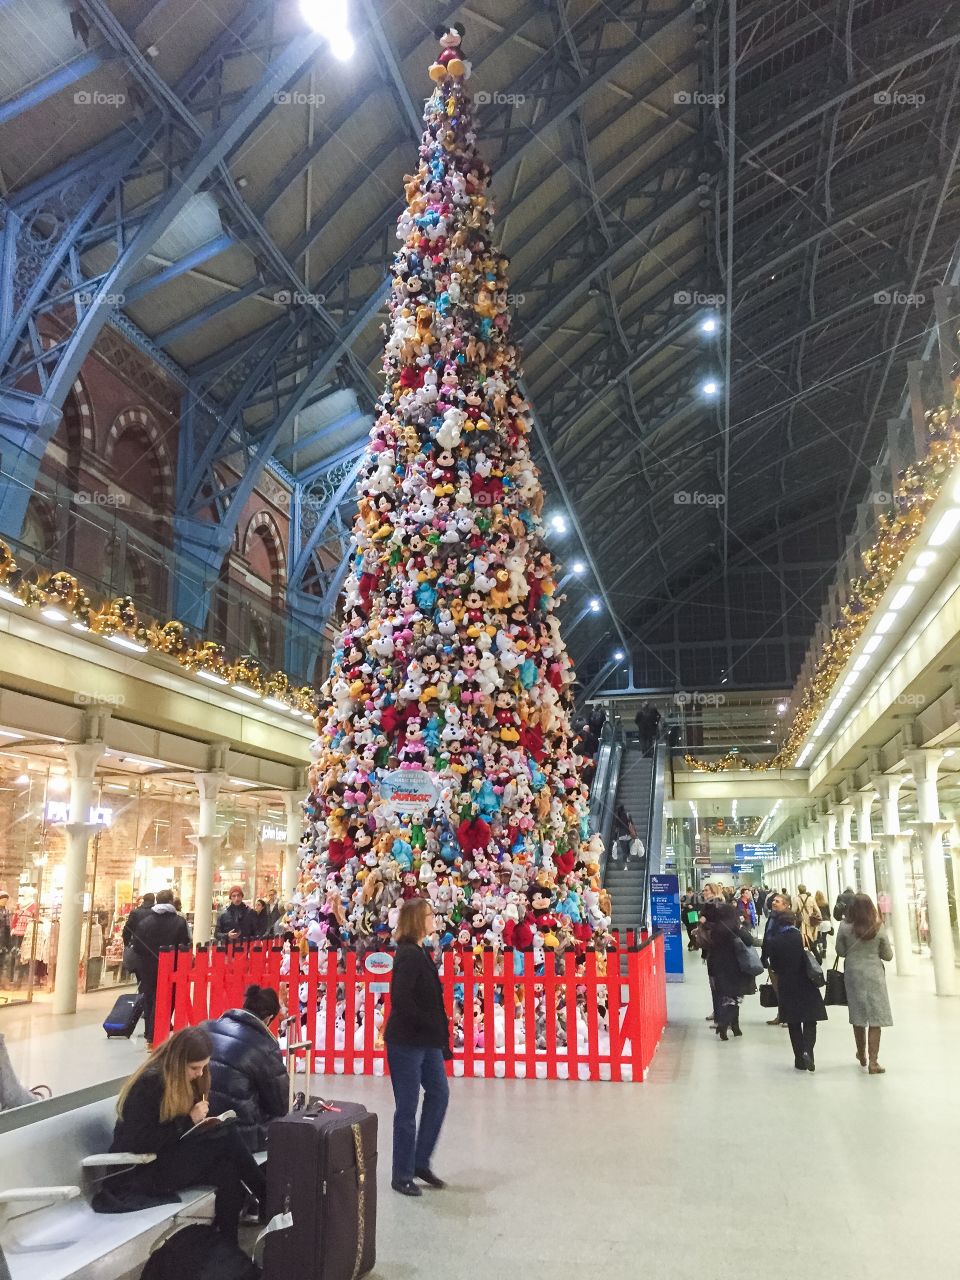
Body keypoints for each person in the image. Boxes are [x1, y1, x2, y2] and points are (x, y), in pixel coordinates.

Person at [107, 1027, 266, 1241]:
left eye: (203, 1067)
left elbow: (175, 1135)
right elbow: (139, 1141)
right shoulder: (149, 1084)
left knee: (228, 1172)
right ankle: (266, 1194)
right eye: (194, 1068)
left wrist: (202, 1124)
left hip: (165, 1160)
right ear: (178, 1062)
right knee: (227, 1138)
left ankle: (227, 1246)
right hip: (140, 1172)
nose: (199, 1073)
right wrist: (188, 1120)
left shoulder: (184, 1081)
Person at [384, 897, 451, 1197]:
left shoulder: (421, 952)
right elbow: (403, 1000)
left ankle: (420, 1160)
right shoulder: (408, 955)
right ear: (416, 920)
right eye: (428, 914)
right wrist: (429, 1026)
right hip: (407, 1042)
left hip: (427, 1041)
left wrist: (440, 1036)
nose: (433, 918)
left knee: (439, 1094)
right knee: (407, 1108)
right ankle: (401, 1173)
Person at [202, 984, 289, 1150]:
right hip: (242, 1134)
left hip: (201, 1124)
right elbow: (280, 1106)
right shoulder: (265, 1046)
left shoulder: (206, 1027)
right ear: (268, 1018)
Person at [836, 894, 893, 1074]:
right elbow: (888, 955)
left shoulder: (844, 927)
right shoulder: (878, 926)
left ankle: (861, 1054)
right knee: (876, 1018)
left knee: (858, 1015)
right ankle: (874, 1062)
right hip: (874, 975)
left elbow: (841, 951)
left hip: (853, 975)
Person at [765, 910, 827, 1071]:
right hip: (807, 983)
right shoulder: (803, 937)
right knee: (810, 1020)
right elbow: (818, 960)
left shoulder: (775, 941)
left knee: (793, 1022)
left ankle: (799, 1059)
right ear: (795, 922)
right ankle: (808, 1051)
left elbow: (775, 966)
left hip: (787, 984)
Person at [133, 890, 190, 1047]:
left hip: (148, 968)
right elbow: (184, 945)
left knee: (150, 998)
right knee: (167, 999)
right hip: (172, 967)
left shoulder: (145, 922)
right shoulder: (179, 922)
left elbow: (136, 945)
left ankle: (150, 1034)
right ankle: (161, 1031)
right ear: (171, 901)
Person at [700, 902, 758, 1040]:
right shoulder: (736, 927)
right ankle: (725, 1024)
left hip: (719, 966)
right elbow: (749, 941)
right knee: (736, 996)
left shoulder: (716, 929)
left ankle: (734, 1027)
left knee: (726, 996)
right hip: (736, 966)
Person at [760, 894, 792, 1026]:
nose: (773, 902)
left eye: (777, 901)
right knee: (778, 988)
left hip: (784, 958)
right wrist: (764, 955)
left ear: (786, 905)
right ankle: (781, 1015)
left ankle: (788, 1016)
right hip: (772, 957)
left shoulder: (788, 918)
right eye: (773, 900)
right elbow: (768, 935)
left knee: (786, 988)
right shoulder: (772, 916)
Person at [792, 884, 821, 949]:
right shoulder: (811, 898)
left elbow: (793, 911)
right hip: (812, 921)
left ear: (798, 890)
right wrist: (819, 920)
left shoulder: (796, 899)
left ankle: (807, 950)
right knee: (812, 938)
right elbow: (818, 911)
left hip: (802, 922)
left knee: (804, 938)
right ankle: (813, 950)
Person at [814, 890, 833, 960]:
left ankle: (818, 950)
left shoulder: (815, 904)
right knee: (824, 937)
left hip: (819, 922)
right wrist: (830, 923)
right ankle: (824, 952)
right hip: (826, 922)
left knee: (817, 937)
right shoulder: (826, 904)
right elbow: (829, 914)